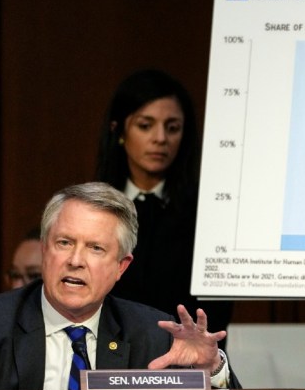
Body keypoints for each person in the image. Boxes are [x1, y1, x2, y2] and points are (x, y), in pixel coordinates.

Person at [0, 182, 240, 390]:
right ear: (46, 249)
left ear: (121, 267)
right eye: (64, 243)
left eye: (95, 248)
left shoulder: (155, 336)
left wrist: (213, 371)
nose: (75, 260)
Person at [95, 69, 233, 341]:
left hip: (191, 362)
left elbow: (216, 314)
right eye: (145, 125)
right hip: (111, 359)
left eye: (172, 128)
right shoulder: (95, 209)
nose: (160, 138)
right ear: (119, 128)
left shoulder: (209, 214)